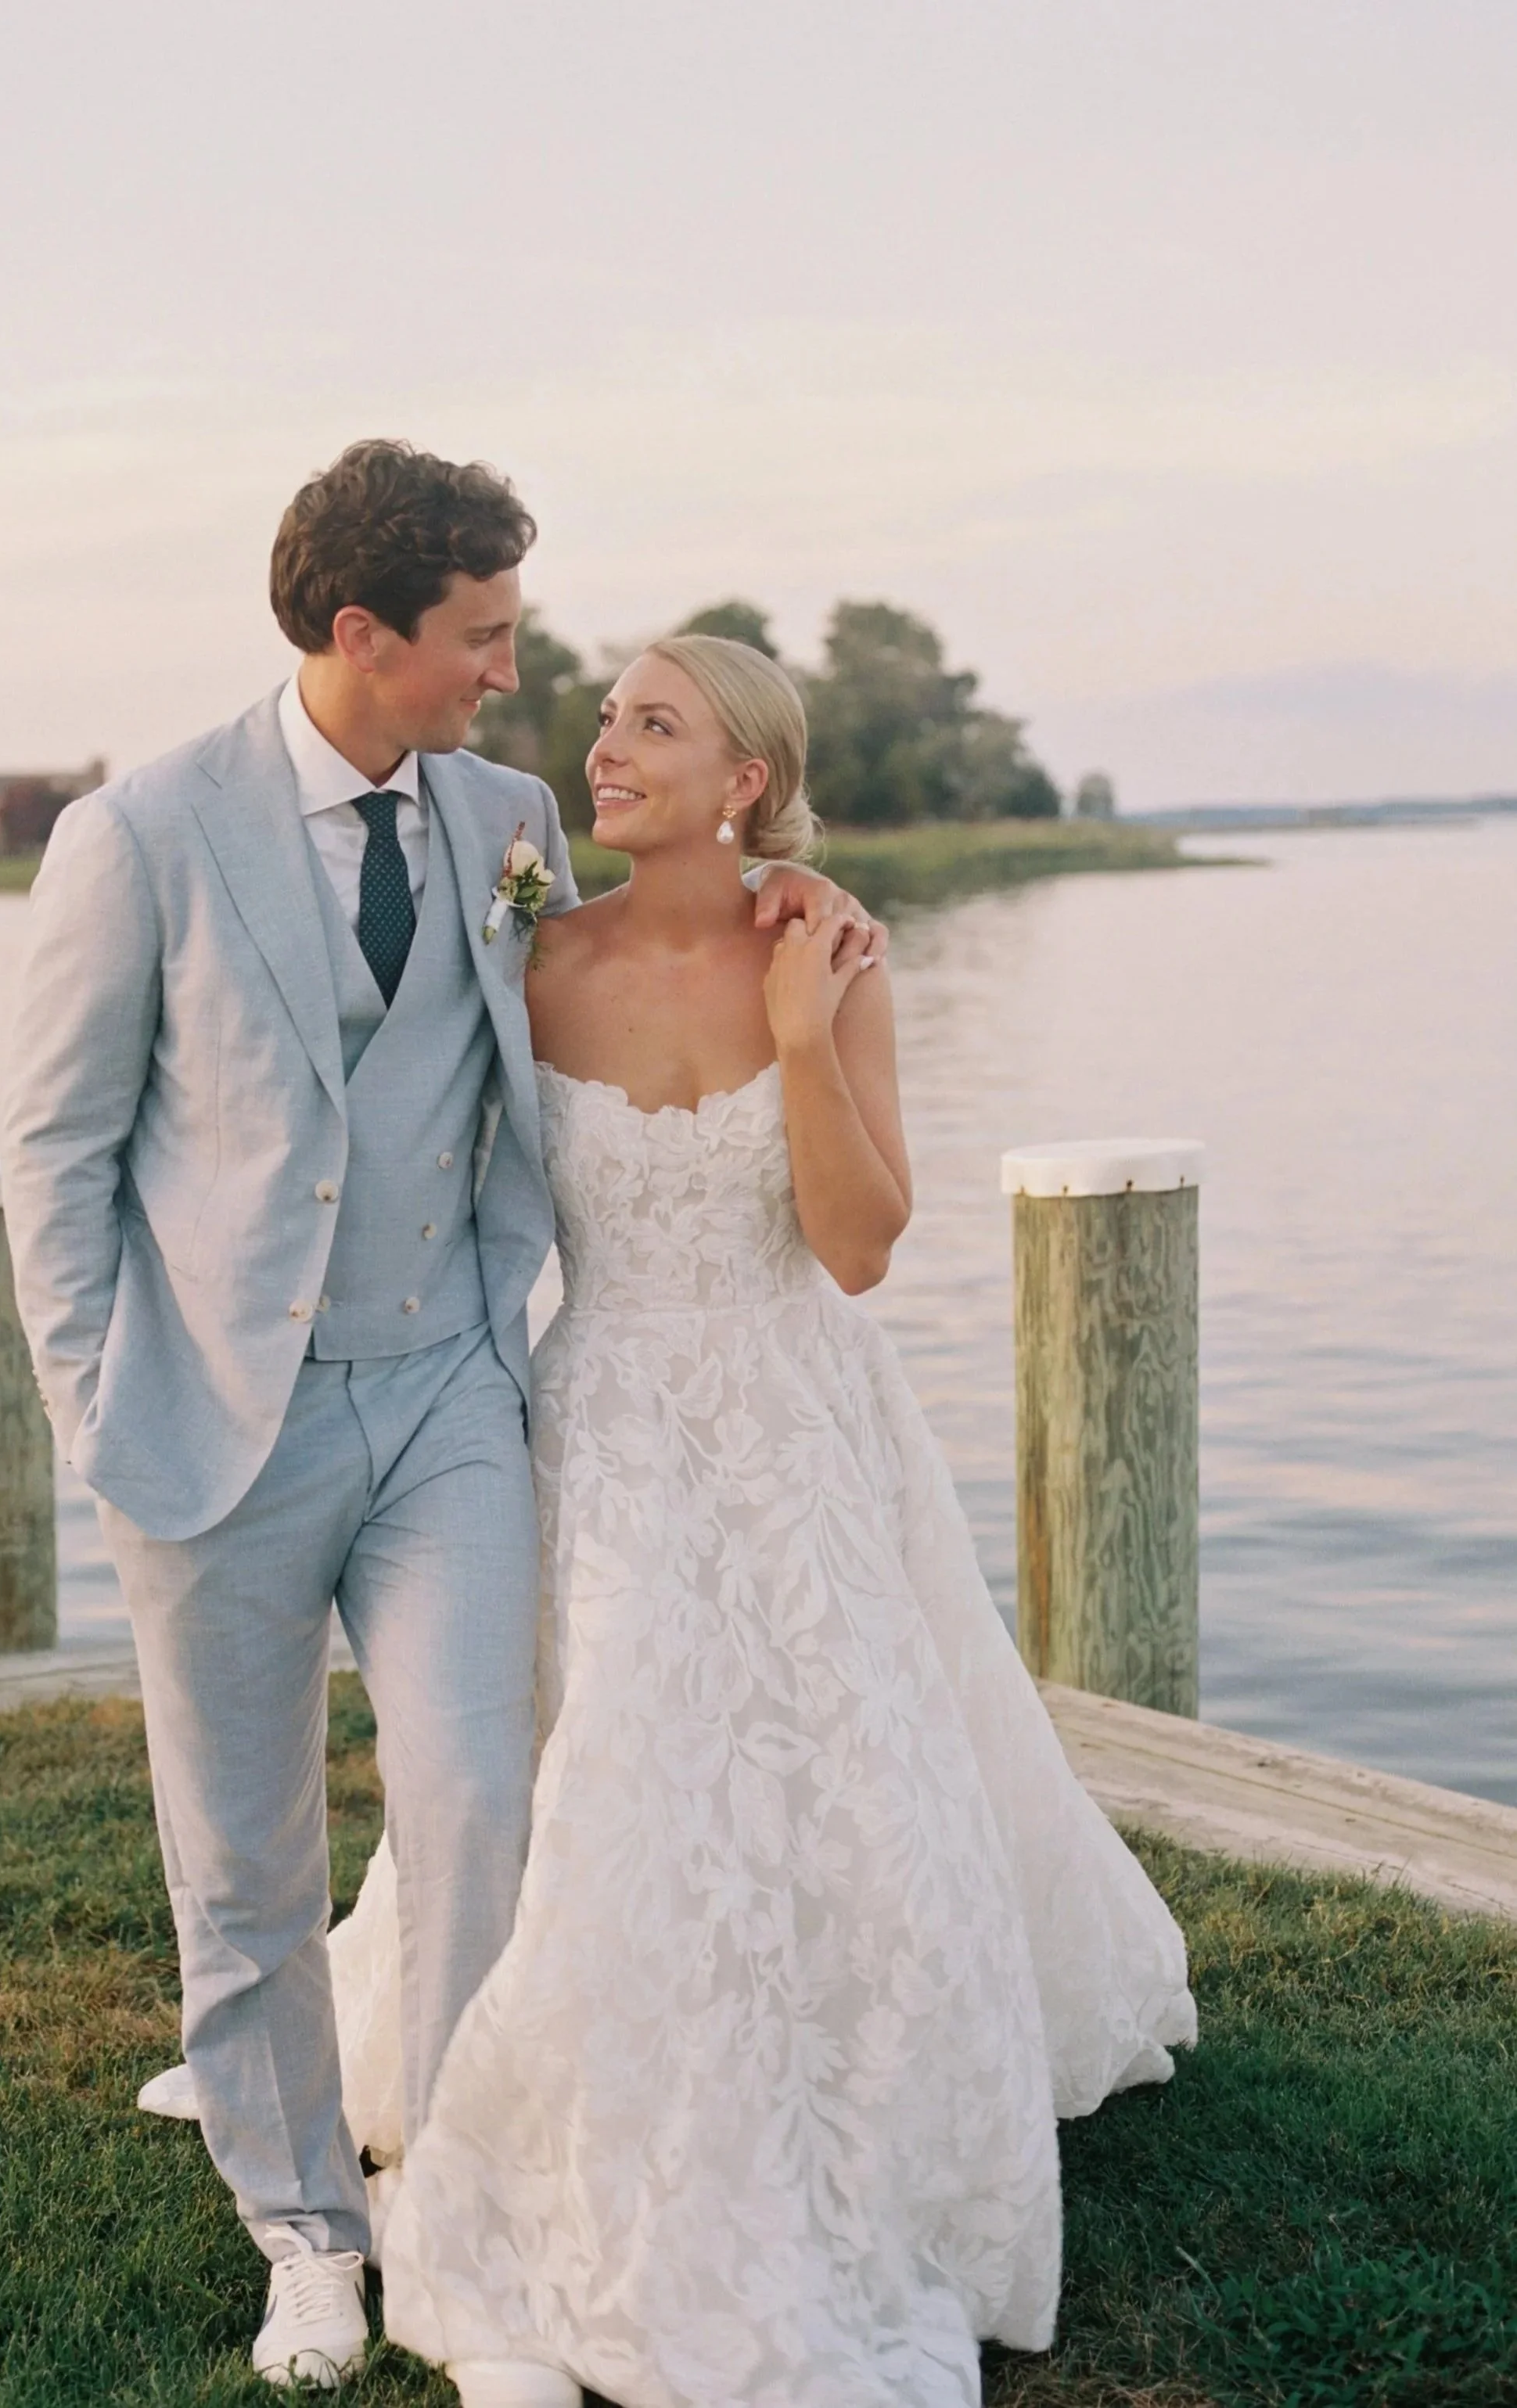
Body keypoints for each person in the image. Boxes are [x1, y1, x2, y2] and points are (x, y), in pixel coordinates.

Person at [0, 446, 879, 2392]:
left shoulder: (502, 820)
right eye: (478, 638)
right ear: (359, 634)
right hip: (209, 1430)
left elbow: (640, 952)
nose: (510, 676)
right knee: (236, 1862)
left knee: (482, 1799)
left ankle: (462, 2217)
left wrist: (781, 883)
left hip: (449, 1400)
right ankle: (307, 2232)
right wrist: (94, 1410)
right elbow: (51, 1159)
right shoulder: (137, 835)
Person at [320, 635, 1198, 2408]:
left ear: (741, 779)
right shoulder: (529, 951)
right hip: (600, 1417)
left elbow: (861, 1244)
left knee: (844, 1767)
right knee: (610, 1766)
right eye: (603, 717)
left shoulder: (827, 952)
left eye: (652, 723)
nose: (601, 742)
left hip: (798, 1418)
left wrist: (801, 1033)